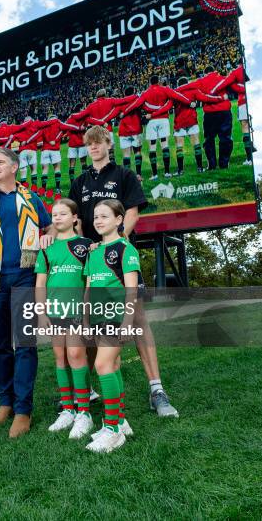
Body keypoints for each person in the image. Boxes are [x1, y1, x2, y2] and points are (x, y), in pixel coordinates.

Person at [69, 126, 179, 418]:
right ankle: (92, 389)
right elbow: (77, 221)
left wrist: (114, 243)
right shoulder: (79, 181)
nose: (93, 148)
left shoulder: (124, 175)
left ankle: (157, 389)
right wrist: (84, 245)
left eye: (98, 143)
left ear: (108, 144)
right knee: (90, 322)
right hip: (90, 262)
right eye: (88, 144)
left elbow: (132, 212)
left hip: (116, 257)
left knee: (138, 319)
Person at [0, 148, 53, 438]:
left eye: (0, 162)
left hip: (25, 276)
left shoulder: (31, 199)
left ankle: (23, 410)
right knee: (2, 345)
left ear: (15, 167)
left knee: (25, 345)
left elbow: (49, 225)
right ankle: (5, 403)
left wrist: (49, 234)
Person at [35, 198, 95, 439]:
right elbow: (40, 283)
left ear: (74, 218)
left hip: (77, 310)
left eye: (62, 214)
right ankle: (68, 410)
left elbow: (90, 280)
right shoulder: (47, 249)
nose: (57, 217)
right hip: (54, 311)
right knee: (60, 357)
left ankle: (84, 413)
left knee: (76, 355)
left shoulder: (86, 245)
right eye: (54, 214)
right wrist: (41, 314)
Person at [84, 199, 140, 453]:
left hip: (116, 316)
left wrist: (128, 322)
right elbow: (89, 288)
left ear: (119, 220)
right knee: (113, 365)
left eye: (104, 216)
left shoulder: (126, 249)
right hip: (97, 317)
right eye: (95, 216)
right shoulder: (94, 252)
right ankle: (120, 420)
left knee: (102, 365)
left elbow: (131, 291)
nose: (98, 221)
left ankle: (114, 430)